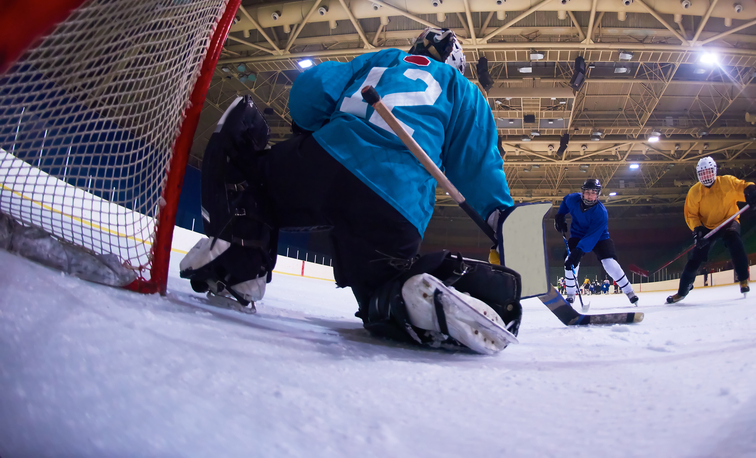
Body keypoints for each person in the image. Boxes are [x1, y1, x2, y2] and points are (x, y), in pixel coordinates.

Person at [182, 28, 522, 354]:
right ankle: (404, 295)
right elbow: (477, 164)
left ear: (415, 46)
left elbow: (310, 91)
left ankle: (239, 267)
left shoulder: (382, 59)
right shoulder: (463, 91)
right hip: (396, 202)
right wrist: (498, 217)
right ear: (457, 66)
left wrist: (310, 125)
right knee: (381, 288)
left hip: (325, 161)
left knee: (252, 180)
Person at [666, 156, 756, 304]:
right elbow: (691, 215)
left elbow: (745, 187)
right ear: (698, 175)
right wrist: (697, 230)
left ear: (714, 171)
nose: (706, 176)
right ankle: (682, 291)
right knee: (694, 260)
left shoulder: (727, 182)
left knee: (735, 244)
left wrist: (753, 192)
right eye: (702, 173)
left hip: (729, 221)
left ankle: (743, 279)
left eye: (708, 172)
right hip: (707, 227)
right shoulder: (694, 192)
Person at [554, 179, 639, 306]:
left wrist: (578, 250)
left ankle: (629, 292)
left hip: (599, 237)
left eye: (593, 193)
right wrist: (560, 215)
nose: (589, 195)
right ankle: (570, 294)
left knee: (609, 262)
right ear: (582, 192)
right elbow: (565, 201)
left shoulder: (601, 213)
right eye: (587, 192)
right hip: (578, 234)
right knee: (569, 261)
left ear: (597, 194)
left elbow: (592, 237)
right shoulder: (573, 199)